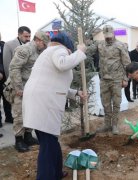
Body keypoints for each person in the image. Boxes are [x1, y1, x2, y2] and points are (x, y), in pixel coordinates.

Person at [23, 32, 87, 179]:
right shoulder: (58, 50)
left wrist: (76, 93)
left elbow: (54, 82)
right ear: (67, 47)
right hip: (43, 102)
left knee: (51, 141)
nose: (69, 54)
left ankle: (56, 172)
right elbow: (63, 64)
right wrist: (80, 52)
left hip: (40, 99)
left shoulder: (48, 52)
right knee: (48, 144)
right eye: (70, 51)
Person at [8, 31, 50, 152]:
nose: (45, 46)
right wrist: (18, 88)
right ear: (38, 41)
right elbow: (14, 68)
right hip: (19, 87)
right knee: (19, 114)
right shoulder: (25, 50)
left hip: (31, 87)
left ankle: (28, 136)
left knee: (31, 112)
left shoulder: (39, 51)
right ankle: (19, 140)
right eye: (44, 44)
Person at [87, 25, 131, 134]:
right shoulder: (100, 44)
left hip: (116, 79)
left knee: (116, 102)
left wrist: (125, 79)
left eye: (110, 36)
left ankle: (115, 125)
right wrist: (83, 44)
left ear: (114, 33)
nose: (108, 38)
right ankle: (107, 124)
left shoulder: (120, 45)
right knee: (105, 102)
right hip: (104, 79)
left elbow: (127, 63)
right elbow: (88, 51)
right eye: (106, 36)